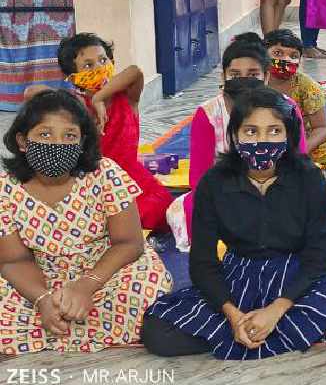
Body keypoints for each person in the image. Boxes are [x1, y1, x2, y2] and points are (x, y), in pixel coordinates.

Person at [142, 87, 326, 359]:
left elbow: (319, 256)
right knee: (158, 333)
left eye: (274, 131)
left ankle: (273, 326)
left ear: (289, 135)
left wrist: (276, 309)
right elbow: (202, 262)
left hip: (294, 276)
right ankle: (301, 327)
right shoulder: (214, 183)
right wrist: (232, 314)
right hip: (237, 278)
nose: (262, 141)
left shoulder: (309, 178)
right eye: (251, 131)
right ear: (234, 136)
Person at [0, 90, 172, 355]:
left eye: (70, 136)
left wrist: (85, 286)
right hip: (40, 279)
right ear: (23, 141)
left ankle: (61, 328)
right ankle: (64, 321)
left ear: (82, 143)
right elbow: (15, 261)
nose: (57, 145)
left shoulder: (105, 174)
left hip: (105, 274)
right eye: (45, 135)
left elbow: (129, 243)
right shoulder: (6, 188)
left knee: (144, 290)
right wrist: (44, 300)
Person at [23, 33, 172, 232]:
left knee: (159, 210)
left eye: (103, 60)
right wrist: (73, 101)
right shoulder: (73, 106)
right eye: (88, 65)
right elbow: (30, 93)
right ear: (73, 77)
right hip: (91, 184)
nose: (99, 68)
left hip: (131, 179)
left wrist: (98, 98)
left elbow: (135, 71)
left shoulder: (128, 97)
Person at [172, 34, 307, 248]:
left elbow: (298, 161)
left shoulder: (287, 109)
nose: (243, 80)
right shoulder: (207, 114)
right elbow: (199, 178)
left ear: (265, 77)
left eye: (252, 74)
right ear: (223, 77)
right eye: (235, 74)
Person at [262, 29, 326, 175]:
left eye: (293, 56)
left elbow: (321, 128)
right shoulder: (255, 82)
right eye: (277, 53)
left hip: (300, 139)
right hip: (261, 138)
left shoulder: (307, 85)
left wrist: (300, 151)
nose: (286, 60)